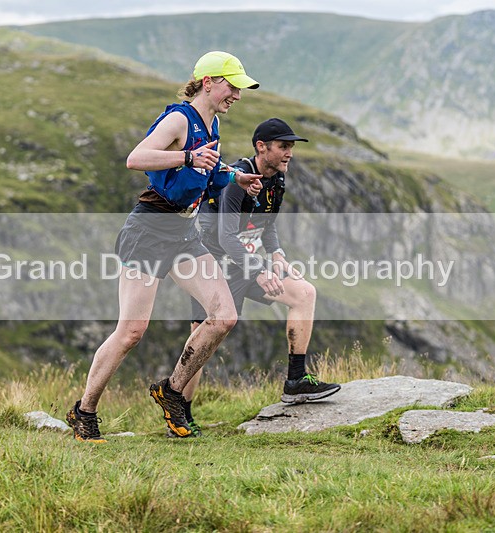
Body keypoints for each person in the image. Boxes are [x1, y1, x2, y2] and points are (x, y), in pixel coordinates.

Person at [66, 51, 263, 442]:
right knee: (131, 332)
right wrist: (187, 155)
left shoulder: (214, 122)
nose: (237, 94)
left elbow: (207, 168)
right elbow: (135, 158)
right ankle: (84, 411)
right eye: (232, 85)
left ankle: (171, 391)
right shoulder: (179, 119)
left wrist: (234, 178)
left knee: (223, 316)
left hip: (184, 232)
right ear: (208, 82)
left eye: (240, 88)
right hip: (150, 229)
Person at [181, 118, 341, 435]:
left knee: (304, 294)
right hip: (214, 266)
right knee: (202, 340)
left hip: (249, 264)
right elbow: (227, 238)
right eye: (283, 147)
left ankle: (295, 380)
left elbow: (267, 224)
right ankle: (179, 412)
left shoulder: (277, 179)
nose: (289, 154)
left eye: (291, 147)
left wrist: (277, 254)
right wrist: (260, 268)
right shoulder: (235, 181)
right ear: (261, 147)